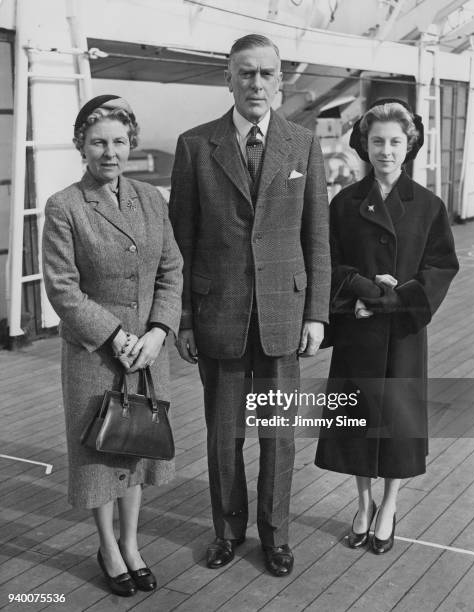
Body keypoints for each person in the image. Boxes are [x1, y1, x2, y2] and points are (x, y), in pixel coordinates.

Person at [169, 34, 330, 576]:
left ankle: (276, 535)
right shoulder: (195, 146)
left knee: (279, 437)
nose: (256, 83)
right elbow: (182, 243)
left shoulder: (302, 144)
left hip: (284, 315)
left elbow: (318, 238)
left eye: (266, 73)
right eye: (245, 73)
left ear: (280, 80)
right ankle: (228, 531)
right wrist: (185, 318)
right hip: (219, 316)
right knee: (223, 436)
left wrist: (317, 313)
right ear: (229, 79)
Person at [42, 95, 183, 595]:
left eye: (119, 141)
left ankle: (132, 543)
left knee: (138, 448)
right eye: (98, 141)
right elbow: (62, 287)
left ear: (131, 145)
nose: (110, 152)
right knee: (101, 454)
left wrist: (159, 331)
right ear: (81, 144)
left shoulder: (150, 199)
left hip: (147, 351)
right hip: (96, 353)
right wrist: (116, 335)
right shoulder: (64, 206)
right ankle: (107, 547)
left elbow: (171, 270)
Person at [314, 99, 459, 554]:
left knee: (396, 425)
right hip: (359, 331)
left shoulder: (429, 206)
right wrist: (356, 291)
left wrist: (395, 299)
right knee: (358, 422)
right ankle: (362, 503)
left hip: (403, 334)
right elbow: (328, 261)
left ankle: (390, 506)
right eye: (377, 141)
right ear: (364, 144)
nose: (386, 150)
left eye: (396, 141)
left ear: (409, 144)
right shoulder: (344, 204)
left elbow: (440, 267)